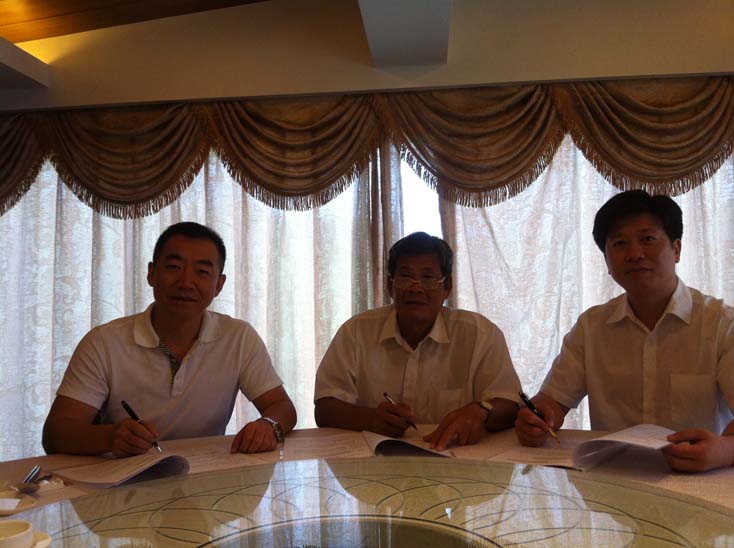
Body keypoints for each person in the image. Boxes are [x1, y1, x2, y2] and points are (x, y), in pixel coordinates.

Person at [515, 190, 734, 472]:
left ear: (676, 249)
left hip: (696, 477)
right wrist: (537, 418)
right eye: (619, 244)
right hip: (611, 478)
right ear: (607, 262)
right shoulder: (591, 328)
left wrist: (725, 450)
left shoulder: (721, 324)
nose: (634, 254)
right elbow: (552, 402)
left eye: (648, 239)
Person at [43, 222, 296, 457]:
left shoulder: (238, 337)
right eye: (174, 267)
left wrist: (268, 425)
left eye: (202, 272)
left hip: (206, 474)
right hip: (125, 478)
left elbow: (281, 406)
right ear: (151, 274)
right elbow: (55, 434)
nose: (186, 282)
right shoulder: (104, 342)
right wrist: (110, 437)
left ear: (219, 285)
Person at [314, 232, 521, 451]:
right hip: (375, 461)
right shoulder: (356, 332)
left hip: (457, 458)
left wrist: (481, 411)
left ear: (447, 287)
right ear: (390, 285)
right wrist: (371, 418)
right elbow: (325, 408)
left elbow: (511, 404)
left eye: (428, 278)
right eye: (405, 277)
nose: (415, 288)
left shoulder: (481, 334)